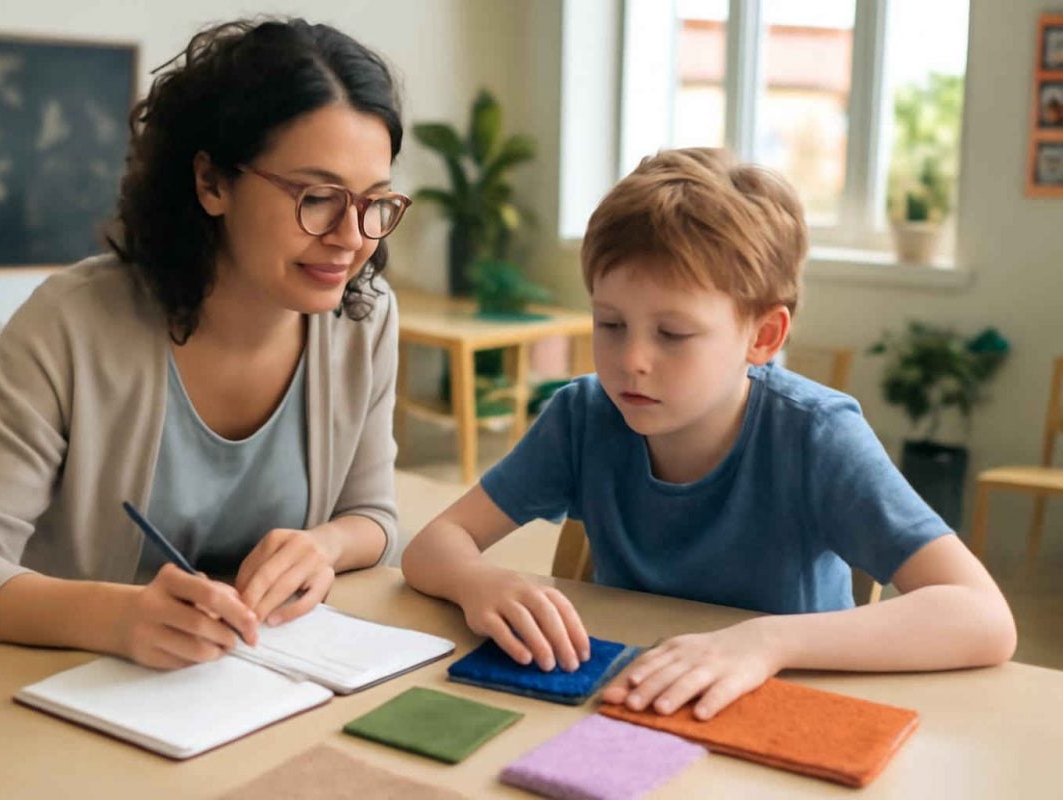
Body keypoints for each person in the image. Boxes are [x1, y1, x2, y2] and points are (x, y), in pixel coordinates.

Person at [401, 148, 1016, 720]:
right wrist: (478, 581)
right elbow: (433, 545)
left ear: (763, 337)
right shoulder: (582, 416)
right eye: (610, 324)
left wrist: (768, 641)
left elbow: (984, 617)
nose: (632, 360)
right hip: (635, 701)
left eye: (672, 334)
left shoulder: (816, 436)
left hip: (783, 711)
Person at [0, 18, 411, 670]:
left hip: (260, 684)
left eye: (374, 202)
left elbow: (374, 517)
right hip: (78, 688)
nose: (352, 238)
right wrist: (112, 617)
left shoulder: (363, 318)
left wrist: (325, 545)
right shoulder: (71, 325)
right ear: (211, 183)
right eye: (319, 197)